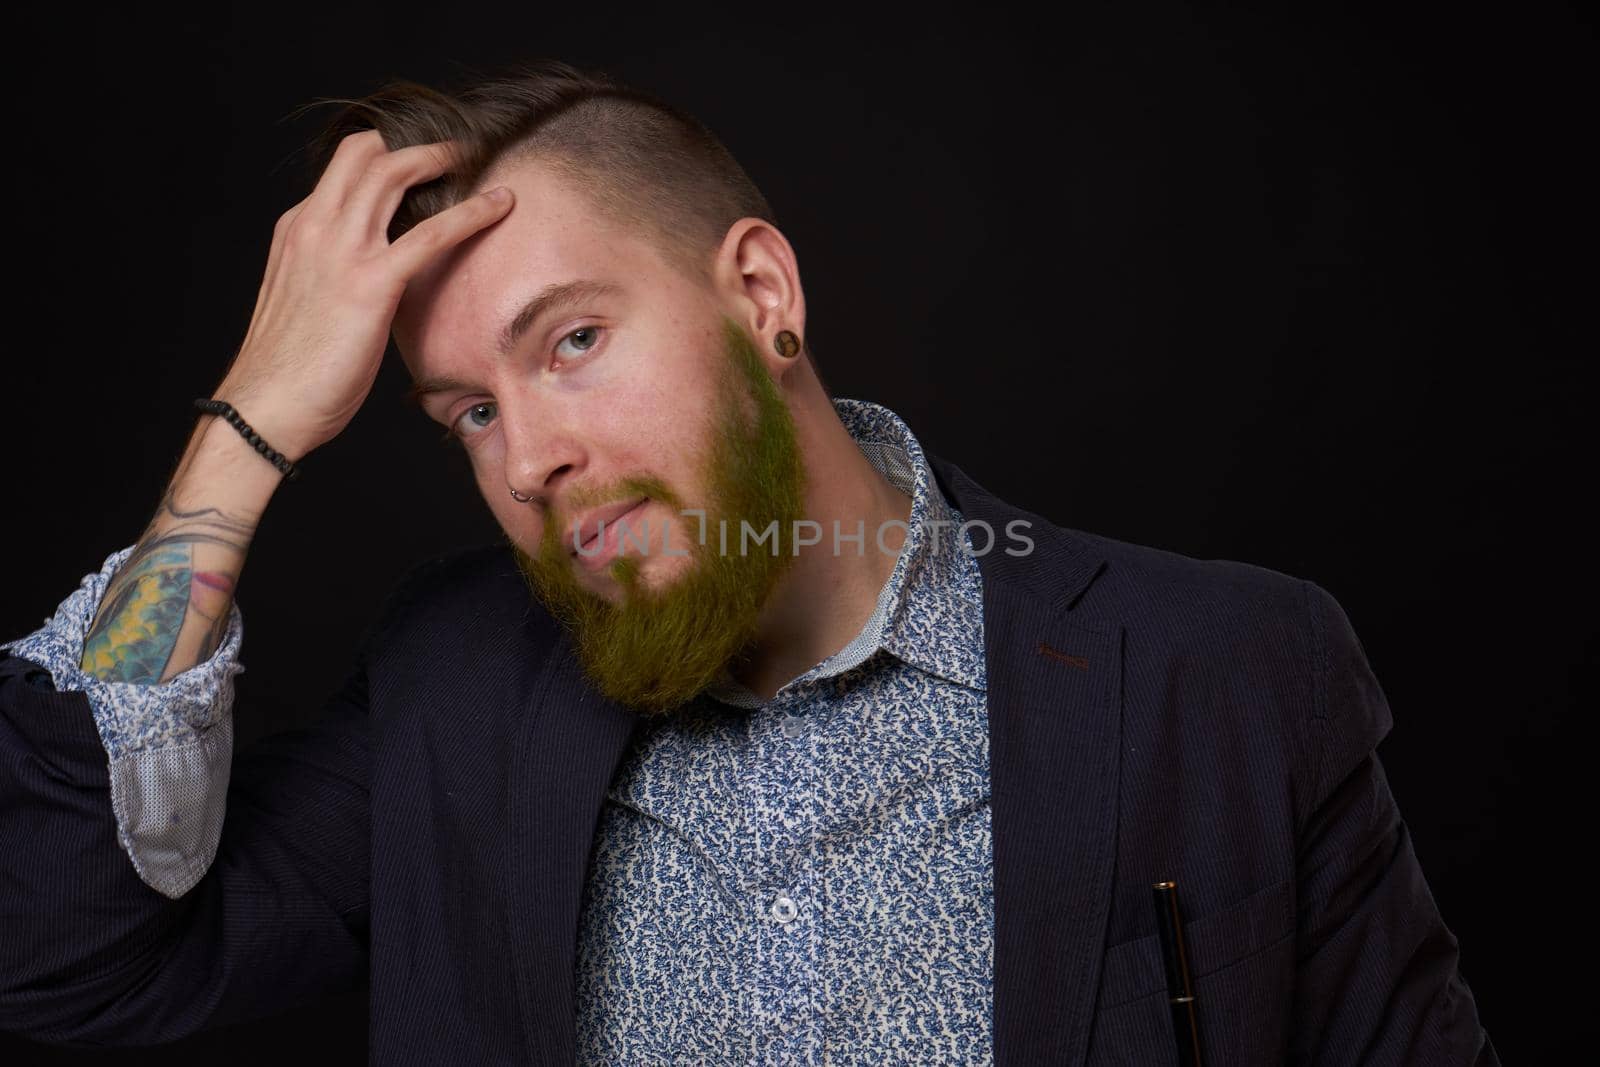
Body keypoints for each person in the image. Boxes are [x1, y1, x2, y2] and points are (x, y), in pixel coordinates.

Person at [0, 59, 1498, 1065]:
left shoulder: (1226, 673)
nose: (526, 459)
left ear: (762, 294)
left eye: (572, 341)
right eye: (466, 412)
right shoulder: (448, 694)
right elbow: (66, 960)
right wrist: (247, 432)